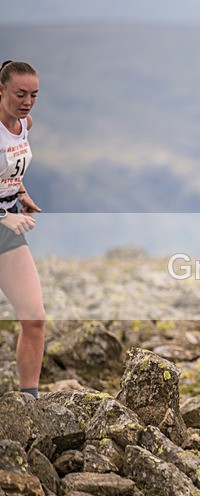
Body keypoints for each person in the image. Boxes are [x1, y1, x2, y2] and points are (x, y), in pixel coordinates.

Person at [0, 60, 45, 398]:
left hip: (8, 226)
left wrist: (20, 192)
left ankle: (28, 405)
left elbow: (11, 169)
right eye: (20, 94)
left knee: (34, 319)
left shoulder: (24, 123)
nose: (27, 101)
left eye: (34, 94)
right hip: (4, 221)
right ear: (1, 90)